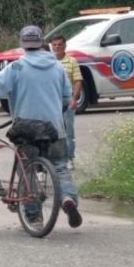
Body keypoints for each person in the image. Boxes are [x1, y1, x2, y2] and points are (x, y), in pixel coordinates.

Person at [0, 25, 82, 228]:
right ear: (43, 42)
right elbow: (67, 99)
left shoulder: (17, 67)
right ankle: (68, 199)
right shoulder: (58, 67)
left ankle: (34, 216)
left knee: (27, 168)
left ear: (23, 44)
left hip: (26, 129)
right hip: (55, 129)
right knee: (59, 166)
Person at [50, 34, 83, 169]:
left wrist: (74, 99)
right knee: (53, 131)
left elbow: (77, 80)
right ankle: (56, 158)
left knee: (68, 131)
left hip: (67, 99)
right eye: (55, 45)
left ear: (65, 46)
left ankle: (70, 158)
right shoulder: (49, 62)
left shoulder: (72, 61)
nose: (57, 47)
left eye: (60, 44)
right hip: (52, 101)